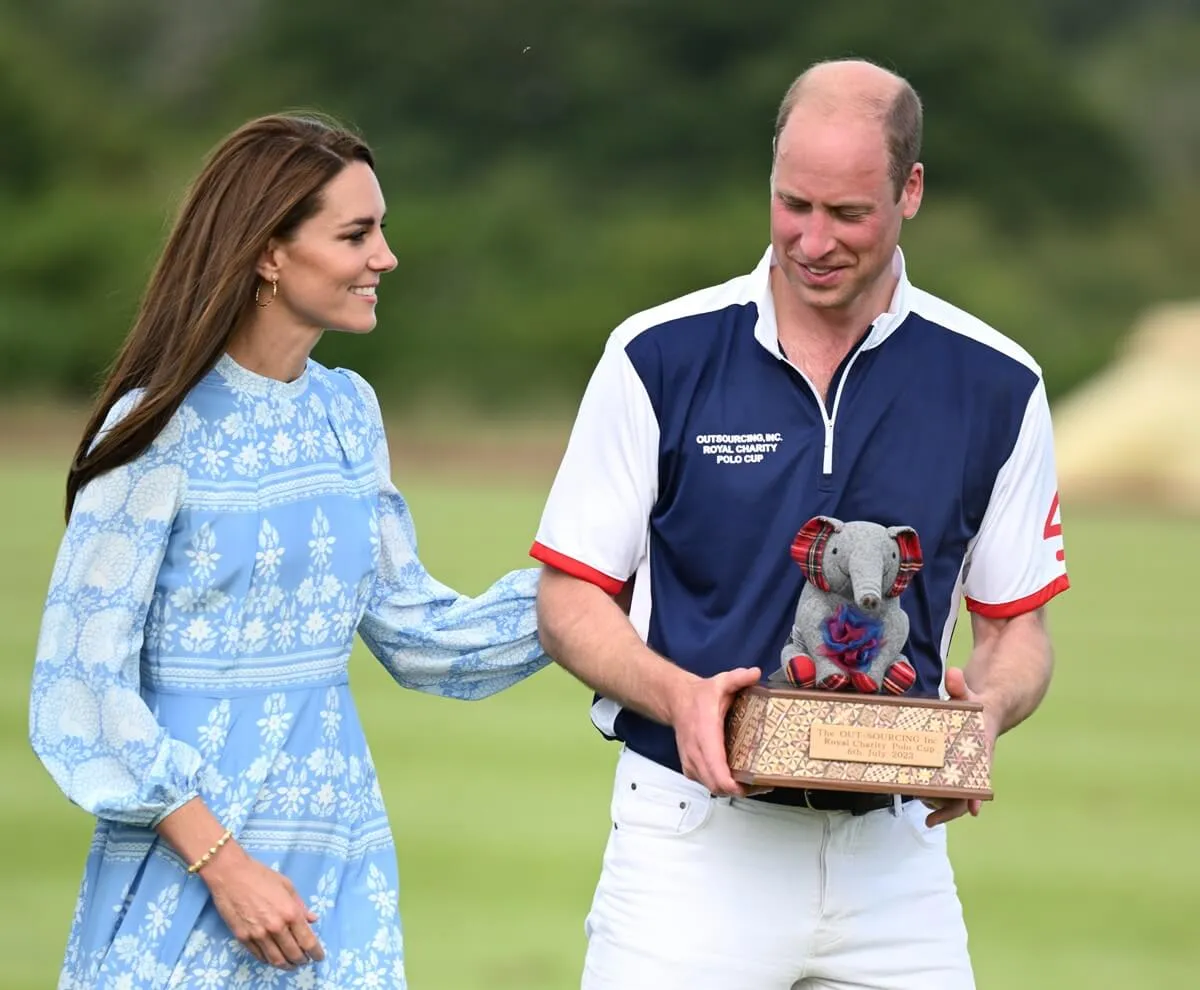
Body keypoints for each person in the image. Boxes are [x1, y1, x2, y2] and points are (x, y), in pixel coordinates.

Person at [530, 58, 1070, 989]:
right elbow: (570, 597)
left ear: (911, 191)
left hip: (895, 866)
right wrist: (679, 697)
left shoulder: (999, 382)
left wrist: (985, 714)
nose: (812, 241)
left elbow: (1017, 628)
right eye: (793, 205)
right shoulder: (656, 353)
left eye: (848, 214)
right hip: (691, 847)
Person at [29, 112, 548, 989]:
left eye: (380, 229)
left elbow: (420, 635)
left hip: (331, 858)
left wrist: (604, 582)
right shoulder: (154, 431)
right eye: (357, 234)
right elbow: (80, 687)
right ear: (268, 252)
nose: (385, 256)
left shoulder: (348, 412)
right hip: (189, 869)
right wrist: (224, 867)